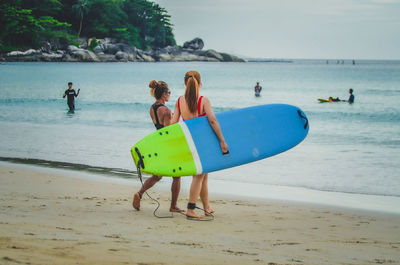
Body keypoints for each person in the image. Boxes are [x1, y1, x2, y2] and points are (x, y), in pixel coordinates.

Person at [171, 71, 229, 219]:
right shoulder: (203, 100)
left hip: (188, 142)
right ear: (200, 83)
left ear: (185, 83)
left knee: (204, 175)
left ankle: (206, 207)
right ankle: (191, 209)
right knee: (198, 176)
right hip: (202, 144)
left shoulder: (179, 101)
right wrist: (222, 140)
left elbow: (172, 124)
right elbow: (213, 121)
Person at [132, 80, 184, 213]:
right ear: (163, 94)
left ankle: (139, 193)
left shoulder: (152, 108)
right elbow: (167, 132)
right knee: (177, 176)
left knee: (157, 176)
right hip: (167, 146)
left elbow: (159, 128)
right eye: (169, 92)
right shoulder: (165, 111)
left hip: (159, 145)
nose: (170, 95)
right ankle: (173, 206)